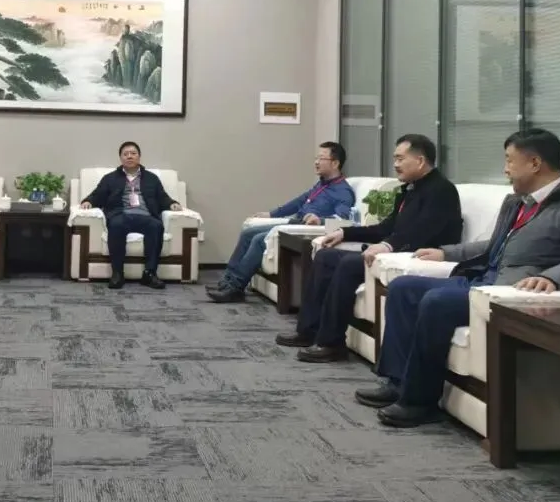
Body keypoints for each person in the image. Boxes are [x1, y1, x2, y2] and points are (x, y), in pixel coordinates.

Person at [355, 128, 560, 428]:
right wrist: (446, 252)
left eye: (509, 160)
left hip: (508, 290)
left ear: (535, 163)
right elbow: (494, 245)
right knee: (403, 288)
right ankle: (397, 381)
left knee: (436, 301)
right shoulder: (518, 201)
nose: (505, 169)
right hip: (481, 278)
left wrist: (553, 277)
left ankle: (419, 401)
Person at [276, 134, 463, 362]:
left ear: (420, 161)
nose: (395, 164)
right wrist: (345, 232)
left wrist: (387, 245)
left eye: (400, 158)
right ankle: (308, 331)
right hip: (396, 251)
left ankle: (331, 343)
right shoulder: (409, 190)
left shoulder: (441, 190)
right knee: (326, 256)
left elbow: (423, 232)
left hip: (420, 256)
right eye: (394, 158)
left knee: (348, 264)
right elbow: (386, 227)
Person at [207, 142, 356, 303]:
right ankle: (226, 281)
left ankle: (235, 288)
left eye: (321, 158)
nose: (316, 162)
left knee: (259, 239)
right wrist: (271, 214)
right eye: (316, 158)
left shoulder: (343, 191)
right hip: (294, 222)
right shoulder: (322, 184)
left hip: (303, 229)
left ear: (335, 163)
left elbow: (342, 219)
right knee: (248, 233)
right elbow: (298, 202)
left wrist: (320, 220)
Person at [79, 141, 182, 290]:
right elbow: (98, 194)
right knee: (116, 225)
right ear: (120, 158)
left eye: (133, 153)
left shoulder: (151, 178)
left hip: (146, 216)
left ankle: (149, 273)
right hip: (121, 215)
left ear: (139, 157)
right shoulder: (110, 178)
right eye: (125, 154)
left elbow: (162, 197)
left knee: (157, 226)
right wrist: (88, 201)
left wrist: (172, 204)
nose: (129, 156)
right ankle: (117, 273)